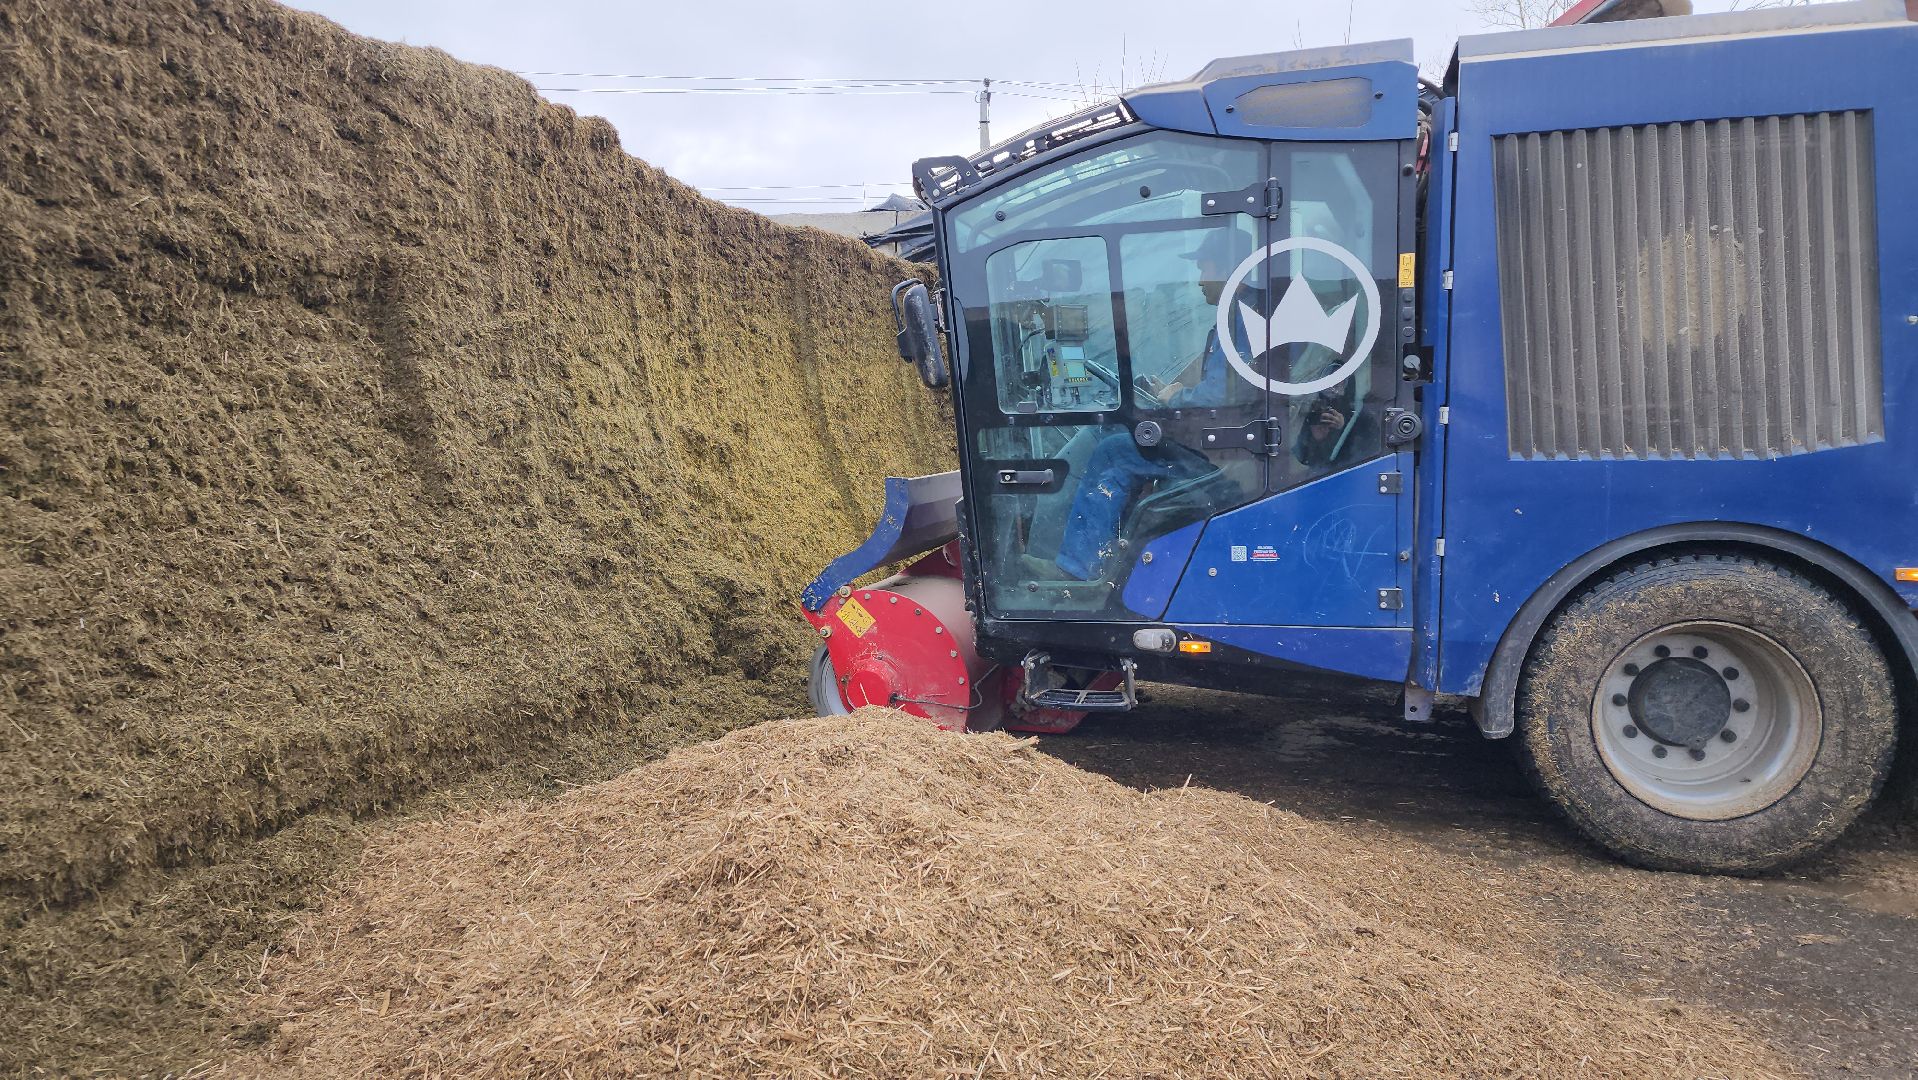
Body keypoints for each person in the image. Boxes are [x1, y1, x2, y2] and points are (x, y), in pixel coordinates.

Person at [1035, 228, 1259, 583]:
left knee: (1113, 452)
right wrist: (1170, 392)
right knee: (1124, 439)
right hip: (1228, 442)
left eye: (1204, 268)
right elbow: (1231, 386)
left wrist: (1175, 398)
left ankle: (1077, 571)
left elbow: (1219, 398)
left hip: (1223, 453)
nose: (1200, 280)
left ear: (1229, 268)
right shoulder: (1245, 313)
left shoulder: (1243, 318)